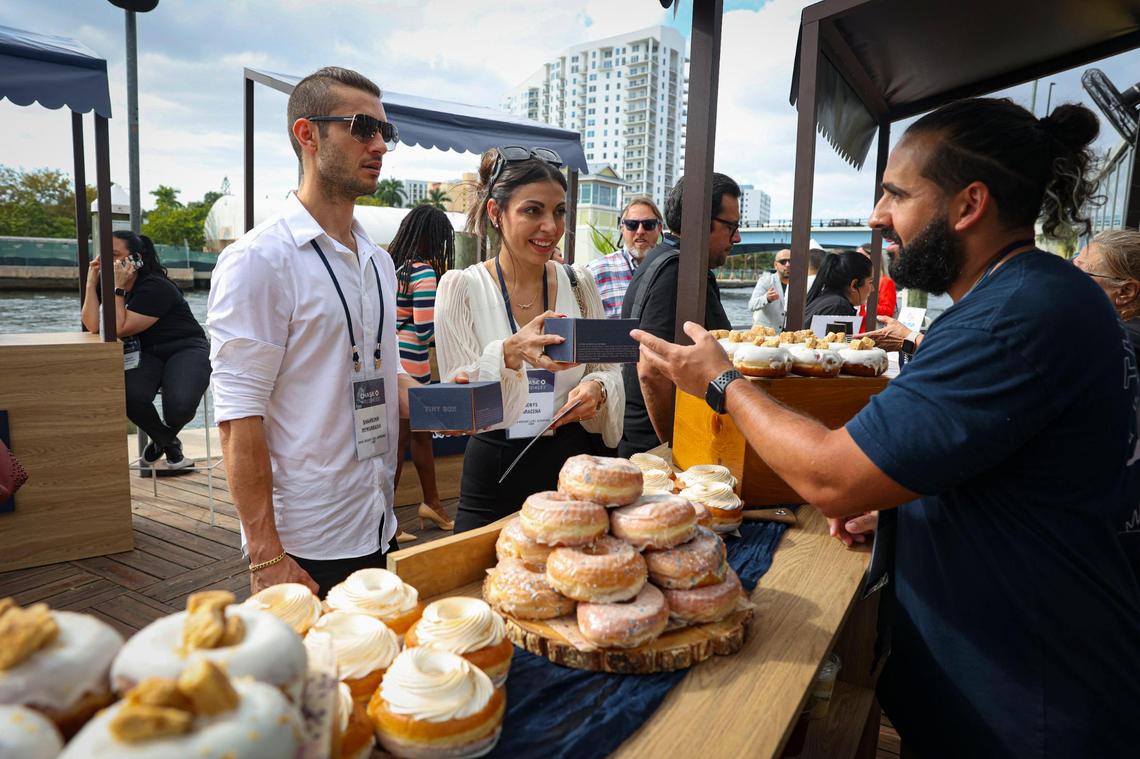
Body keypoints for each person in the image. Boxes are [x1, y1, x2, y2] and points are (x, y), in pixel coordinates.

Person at [631, 98, 1140, 757]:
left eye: (896, 194)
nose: (876, 217)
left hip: (1030, 713)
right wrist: (909, 512)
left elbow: (831, 477)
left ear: (968, 204)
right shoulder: (1030, 295)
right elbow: (1025, 474)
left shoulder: (1011, 316)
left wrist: (724, 381)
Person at [208, 67, 421, 595]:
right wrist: (264, 554)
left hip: (375, 519)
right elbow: (238, 418)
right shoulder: (259, 260)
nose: (380, 146)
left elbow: (378, 374)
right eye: (362, 128)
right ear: (307, 134)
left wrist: (460, 400)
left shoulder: (375, 260)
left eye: (384, 133)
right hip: (303, 542)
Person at [435, 146, 624, 532]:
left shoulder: (579, 282)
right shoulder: (461, 288)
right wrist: (507, 353)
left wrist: (597, 388)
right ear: (495, 214)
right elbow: (458, 395)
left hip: (574, 464)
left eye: (559, 212)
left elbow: (611, 369)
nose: (551, 227)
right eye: (532, 211)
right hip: (497, 468)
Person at [618, 173, 740, 457]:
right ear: (698, 222)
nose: (737, 237)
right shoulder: (679, 273)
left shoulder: (661, 260)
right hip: (655, 451)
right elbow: (650, 369)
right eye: (731, 226)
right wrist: (675, 447)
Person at [81, 230, 210, 470]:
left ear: (135, 259)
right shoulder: (105, 285)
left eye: (115, 255)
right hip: (146, 351)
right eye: (103, 256)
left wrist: (118, 291)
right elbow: (92, 325)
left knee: (179, 408)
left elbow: (119, 327)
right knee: (129, 395)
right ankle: (169, 444)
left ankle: (162, 441)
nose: (108, 262)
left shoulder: (156, 287)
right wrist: (91, 282)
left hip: (186, 347)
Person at [389, 205, 455, 533]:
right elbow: (426, 329)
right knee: (406, 439)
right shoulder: (425, 273)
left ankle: (433, 504)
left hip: (393, 358)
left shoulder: (394, 267)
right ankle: (386, 519)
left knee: (417, 437)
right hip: (413, 361)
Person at [586, 195, 664, 318]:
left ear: (659, 228)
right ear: (622, 228)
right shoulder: (597, 271)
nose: (640, 231)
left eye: (648, 224)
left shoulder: (671, 269)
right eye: (632, 224)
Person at [1075, 229, 1140, 360]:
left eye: (1079, 273)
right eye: (1071, 267)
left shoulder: (1117, 341)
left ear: (1125, 292)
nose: (1067, 278)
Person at [802, 249, 873, 324]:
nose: (872, 289)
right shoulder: (838, 306)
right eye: (870, 282)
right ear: (854, 285)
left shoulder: (830, 300)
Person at [747, 248, 790, 330]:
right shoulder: (766, 281)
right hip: (765, 335)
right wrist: (766, 298)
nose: (787, 264)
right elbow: (751, 305)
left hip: (787, 336)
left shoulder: (799, 284)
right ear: (775, 265)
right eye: (783, 262)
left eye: (791, 261)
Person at [856, 244, 898, 319]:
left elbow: (888, 311)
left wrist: (864, 304)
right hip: (859, 326)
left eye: (862, 256)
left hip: (873, 327)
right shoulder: (857, 280)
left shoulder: (885, 282)